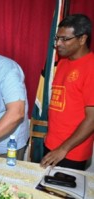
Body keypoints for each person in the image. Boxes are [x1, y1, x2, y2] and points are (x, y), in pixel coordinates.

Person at [40, 14, 94, 171]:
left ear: (82, 39)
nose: (58, 44)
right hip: (52, 145)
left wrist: (63, 148)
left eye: (65, 39)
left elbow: (92, 119)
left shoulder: (91, 67)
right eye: (57, 39)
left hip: (71, 152)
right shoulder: (63, 62)